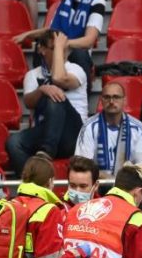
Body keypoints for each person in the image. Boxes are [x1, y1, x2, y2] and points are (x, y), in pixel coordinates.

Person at [8, 31, 89, 176]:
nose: (62, 52)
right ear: (42, 49)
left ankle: (46, 154)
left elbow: (58, 78)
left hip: (73, 135)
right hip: (46, 130)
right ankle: (33, 185)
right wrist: (42, 90)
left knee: (54, 95)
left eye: (63, 48)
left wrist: (49, 89)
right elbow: (28, 102)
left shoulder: (76, 70)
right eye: (55, 48)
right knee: (13, 142)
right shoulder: (33, 75)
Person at [15, 0, 107, 80]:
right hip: (59, 47)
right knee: (42, 44)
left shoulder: (97, 1)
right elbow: (52, 31)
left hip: (76, 52)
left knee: (78, 53)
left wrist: (62, 44)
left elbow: (89, 40)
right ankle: (42, 83)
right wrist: (28, 34)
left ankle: (84, 89)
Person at [76, 81, 142, 178]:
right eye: (107, 97)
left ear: (124, 100)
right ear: (101, 100)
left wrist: (128, 180)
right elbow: (84, 166)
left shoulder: (137, 126)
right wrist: (108, 178)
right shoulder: (89, 126)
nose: (111, 101)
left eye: (116, 97)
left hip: (128, 182)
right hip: (98, 182)